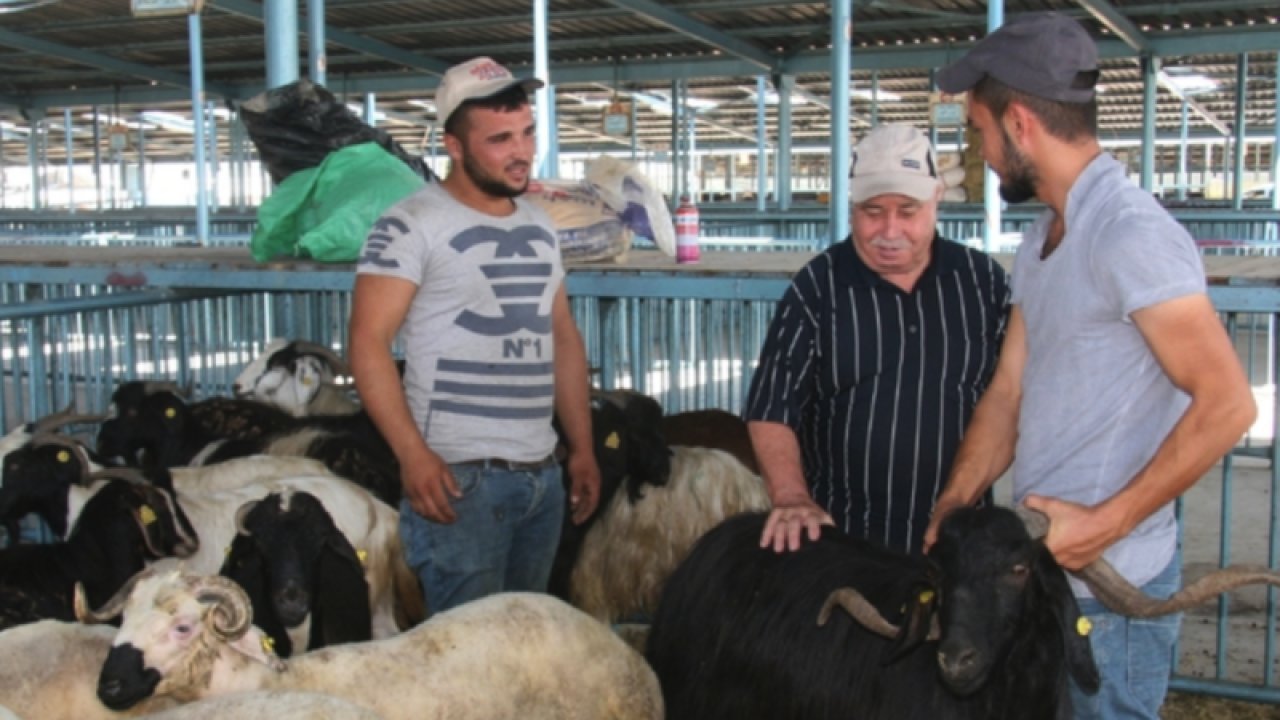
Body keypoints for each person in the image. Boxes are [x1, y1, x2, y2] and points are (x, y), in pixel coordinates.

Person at [924, 13, 1256, 719]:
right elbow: (1008, 391)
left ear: (1019, 124)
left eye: (978, 129)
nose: (978, 150)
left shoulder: (1131, 233)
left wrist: (1108, 522)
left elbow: (1229, 404)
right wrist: (955, 502)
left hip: (1112, 589)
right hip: (1046, 583)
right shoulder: (1043, 240)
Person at [348, 56, 601, 615]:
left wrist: (581, 447)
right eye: (500, 139)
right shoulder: (410, 223)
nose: (523, 151)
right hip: (460, 483)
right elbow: (367, 343)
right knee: (469, 667)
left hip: (541, 475)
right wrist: (413, 455)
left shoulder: (537, 223)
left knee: (524, 648)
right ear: (455, 146)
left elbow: (560, 336)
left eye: (528, 132)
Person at [743, 122, 1010, 555]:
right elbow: (771, 407)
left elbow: (1011, 400)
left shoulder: (982, 285)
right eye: (872, 211)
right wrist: (791, 497)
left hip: (956, 543)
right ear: (852, 207)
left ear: (936, 199)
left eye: (907, 211)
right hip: (843, 540)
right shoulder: (818, 286)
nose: (889, 230)